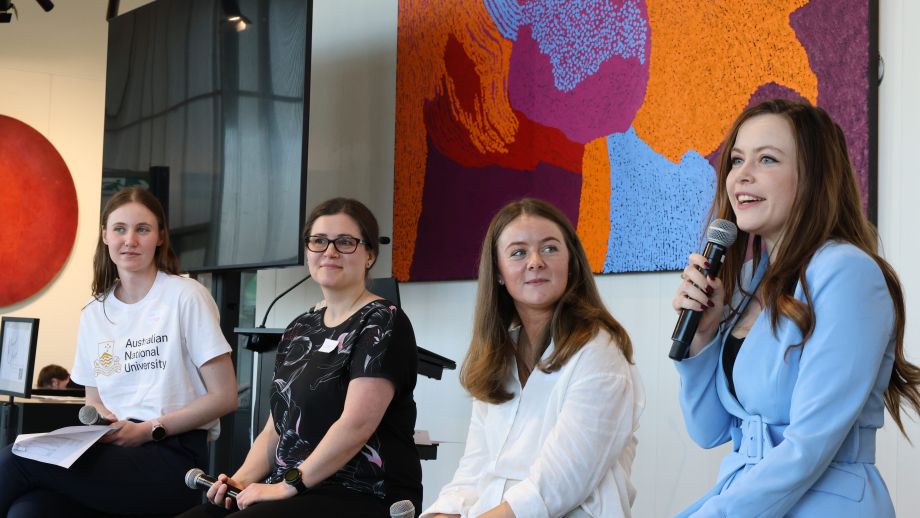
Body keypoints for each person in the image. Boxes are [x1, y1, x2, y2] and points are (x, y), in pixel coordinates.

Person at [671, 99, 920, 516]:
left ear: (812, 177)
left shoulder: (847, 273)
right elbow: (709, 430)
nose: (741, 176)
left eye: (766, 159)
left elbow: (811, 444)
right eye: (736, 160)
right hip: (746, 495)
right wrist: (701, 339)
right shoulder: (747, 280)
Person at [0, 187, 239, 517]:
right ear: (105, 236)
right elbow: (93, 400)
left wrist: (148, 429)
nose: (130, 240)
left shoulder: (186, 296)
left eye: (142, 229)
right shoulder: (94, 311)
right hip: (114, 451)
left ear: (159, 236)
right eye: (120, 229)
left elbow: (225, 396)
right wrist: (104, 421)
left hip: (171, 457)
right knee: (28, 511)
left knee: (16, 458)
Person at [178, 197, 422, 517]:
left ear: (369, 255)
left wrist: (286, 485)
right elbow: (276, 431)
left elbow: (356, 425)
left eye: (345, 242)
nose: (329, 251)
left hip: (361, 491)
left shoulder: (382, 320)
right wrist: (240, 482)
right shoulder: (300, 328)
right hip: (295, 489)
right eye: (319, 241)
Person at [422, 198, 645, 518]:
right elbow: (474, 469)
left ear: (571, 262)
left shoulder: (599, 351)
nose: (536, 261)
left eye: (550, 248)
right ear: (498, 272)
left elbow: (561, 481)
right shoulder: (497, 355)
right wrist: (442, 513)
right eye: (518, 252)